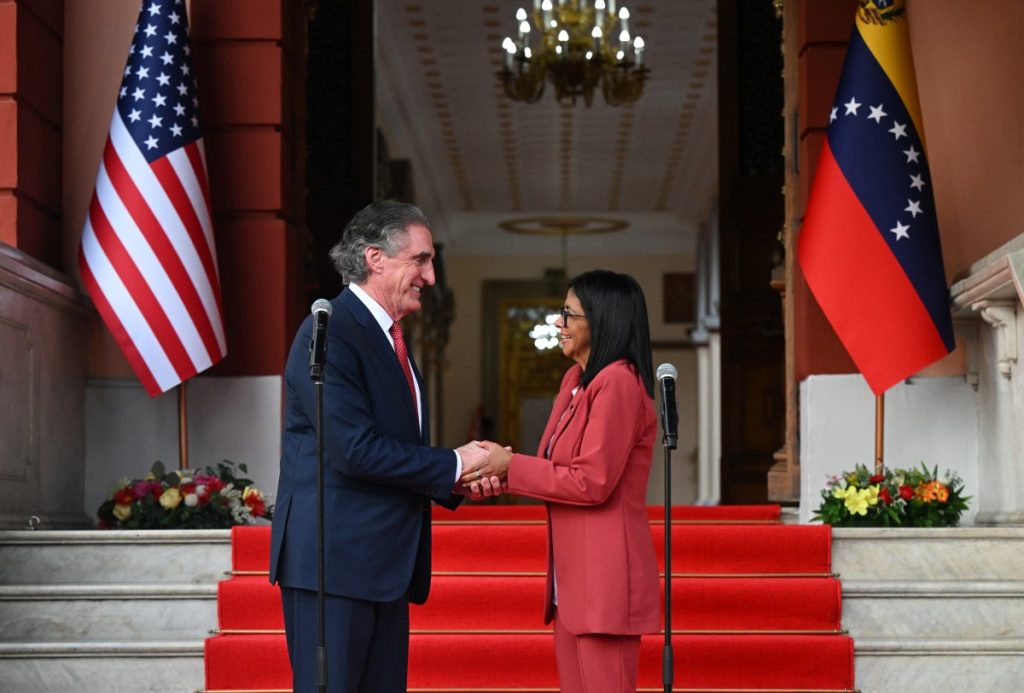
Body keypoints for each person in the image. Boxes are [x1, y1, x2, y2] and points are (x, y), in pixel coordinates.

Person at [269, 200, 495, 692]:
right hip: (334, 564)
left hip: (382, 564)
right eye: (421, 260)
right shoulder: (328, 332)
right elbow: (355, 450)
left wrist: (457, 478)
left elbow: (391, 447)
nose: (431, 277)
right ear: (375, 258)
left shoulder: (388, 337)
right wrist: (455, 462)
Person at [467, 270, 662, 693]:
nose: (559, 323)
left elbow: (590, 481)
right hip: (574, 583)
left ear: (604, 320)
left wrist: (509, 465)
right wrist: (490, 474)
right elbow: (552, 469)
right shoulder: (576, 381)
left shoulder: (619, 382)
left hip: (605, 582)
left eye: (569, 314)